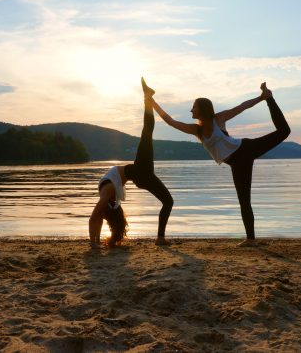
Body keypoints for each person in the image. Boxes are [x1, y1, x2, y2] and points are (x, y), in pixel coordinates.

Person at [145, 78, 290, 246]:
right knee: (244, 200)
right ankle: (251, 240)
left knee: (284, 131)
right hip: (237, 164)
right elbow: (170, 121)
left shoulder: (218, 119)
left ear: (202, 109)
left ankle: (269, 97)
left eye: (194, 106)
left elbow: (241, 107)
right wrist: (151, 101)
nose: (191, 109)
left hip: (246, 149)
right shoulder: (196, 130)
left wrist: (261, 98)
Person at [88, 81, 173, 248]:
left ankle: (147, 97)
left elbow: (97, 217)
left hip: (139, 174)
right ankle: (147, 97)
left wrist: (96, 242)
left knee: (168, 202)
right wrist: (94, 243)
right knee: (146, 132)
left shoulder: (107, 196)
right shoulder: (107, 193)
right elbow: (94, 218)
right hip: (139, 173)